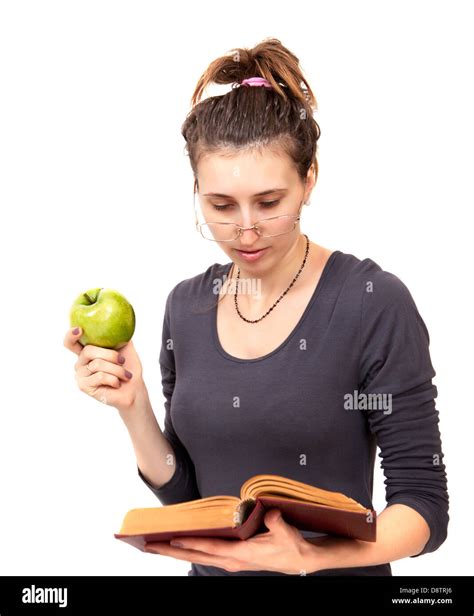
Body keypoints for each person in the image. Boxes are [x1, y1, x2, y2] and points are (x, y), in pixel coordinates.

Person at [64, 38, 449, 576]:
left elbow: (425, 506)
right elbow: (189, 498)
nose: (245, 228)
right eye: (220, 205)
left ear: (308, 180)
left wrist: (309, 557)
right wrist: (133, 405)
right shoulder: (187, 308)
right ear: (197, 191)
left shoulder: (373, 302)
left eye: (270, 202)